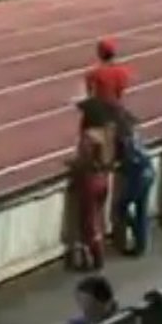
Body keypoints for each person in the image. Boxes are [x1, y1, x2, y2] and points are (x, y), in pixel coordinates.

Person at [67, 97, 117, 271]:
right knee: (98, 217)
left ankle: (96, 258)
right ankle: (98, 252)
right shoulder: (107, 133)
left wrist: (72, 164)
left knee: (89, 222)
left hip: (90, 181)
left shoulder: (88, 136)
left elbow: (84, 160)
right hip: (104, 178)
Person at [113, 108, 155, 256]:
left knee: (121, 206)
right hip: (148, 171)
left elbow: (125, 161)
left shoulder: (126, 140)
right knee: (141, 209)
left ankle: (137, 233)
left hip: (139, 176)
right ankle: (141, 244)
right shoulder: (137, 136)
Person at [85, 38, 130, 106]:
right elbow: (121, 90)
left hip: (101, 107)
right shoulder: (122, 71)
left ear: (100, 53)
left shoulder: (95, 73)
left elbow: (89, 91)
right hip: (116, 107)